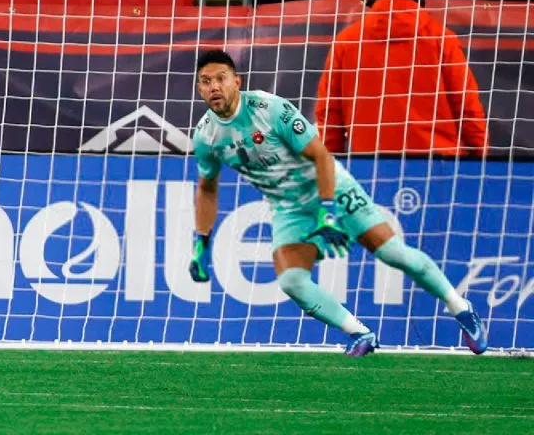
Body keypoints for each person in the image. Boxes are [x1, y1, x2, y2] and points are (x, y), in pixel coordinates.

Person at [188, 50, 486, 357]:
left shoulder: (271, 109)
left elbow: (321, 156)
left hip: (329, 187)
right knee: (292, 281)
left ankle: (461, 309)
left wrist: (327, 211)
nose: (214, 87)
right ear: (199, 88)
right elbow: (207, 188)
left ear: (237, 82)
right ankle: (360, 332)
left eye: (221, 79)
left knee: (393, 253)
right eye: (205, 81)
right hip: (288, 207)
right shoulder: (206, 136)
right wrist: (201, 243)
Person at [315, 0, 489, 156]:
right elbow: (466, 107)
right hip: (440, 167)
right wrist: (481, 158)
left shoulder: (345, 42)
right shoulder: (441, 40)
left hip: (370, 167)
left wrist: (335, 168)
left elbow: (329, 113)